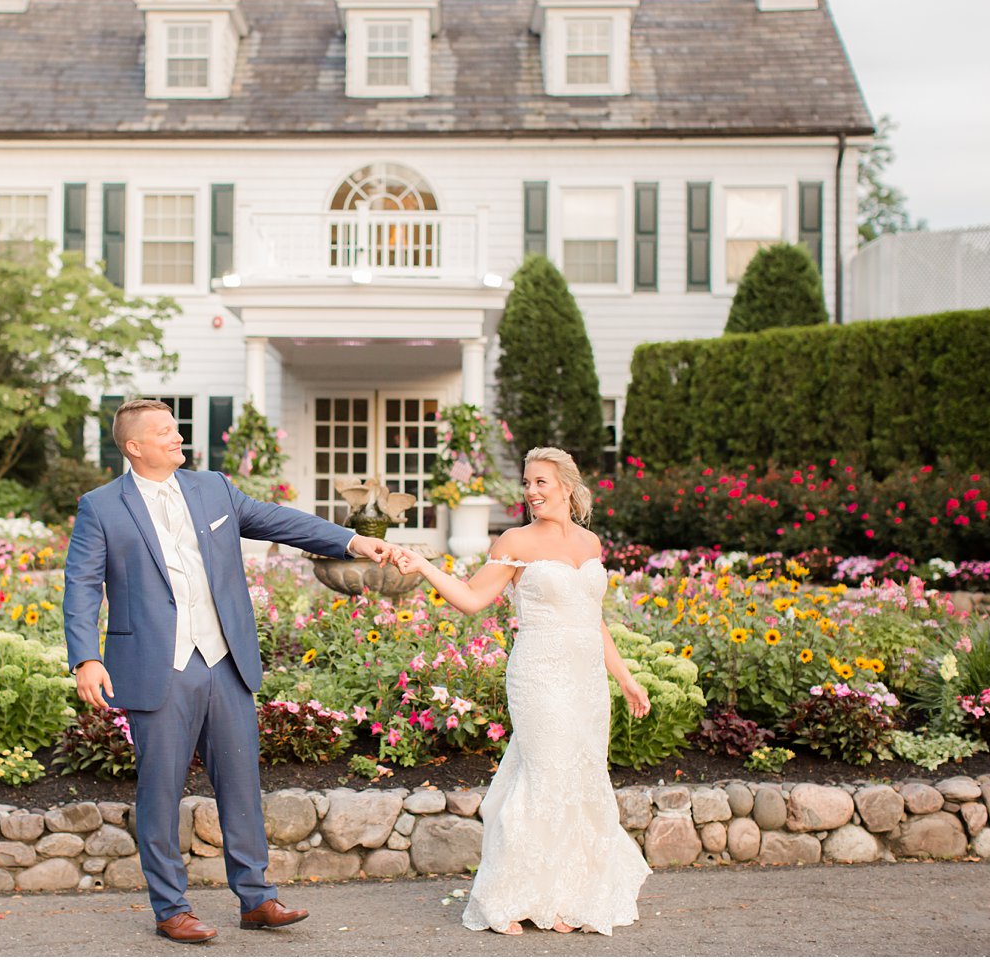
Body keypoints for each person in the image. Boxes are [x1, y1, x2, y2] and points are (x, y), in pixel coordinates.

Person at [63, 399, 396, 944]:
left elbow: (279, 521)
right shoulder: (101, 507)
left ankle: (257, 899)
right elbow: (80, 585)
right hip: (156, 666)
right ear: (134, 447)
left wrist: (351, 539)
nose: (177, 436)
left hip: (225, 661)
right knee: (160, 792)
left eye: (176, 427)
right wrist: (86, 656)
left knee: (241, 784)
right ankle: (171, 908)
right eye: (164, 431)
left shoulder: (213, 487)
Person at [391, 446, 653, 936]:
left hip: (586, 679)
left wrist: (625, 677)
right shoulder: (516, 540)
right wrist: (425, 567)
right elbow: (471, 599)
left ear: (567, 488)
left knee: (578, 780)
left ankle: (561, 897)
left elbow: (592, 619)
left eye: (541, 483)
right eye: (528, 483)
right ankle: (507, 898)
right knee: (544, 778)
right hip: (541, 674)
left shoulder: (591, 543)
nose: (531, 492)